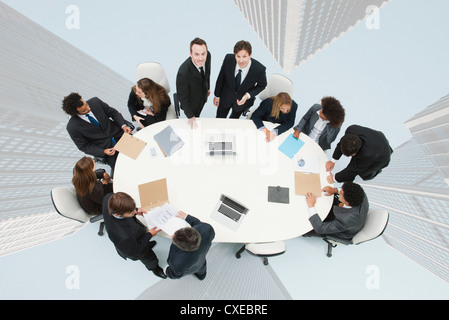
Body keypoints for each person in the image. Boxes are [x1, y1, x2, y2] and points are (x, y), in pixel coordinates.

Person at [102, 192, 167, 279]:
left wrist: (135, 210)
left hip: (137, 236)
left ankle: (147, 244)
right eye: (130, 212)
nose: (134, 211)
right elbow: (135, 251)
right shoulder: (123, 236)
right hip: (135, 249)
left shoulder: (109, 198)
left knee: (145, 244)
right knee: (150, 259)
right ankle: (154, 268)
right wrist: (149, 235)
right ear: (118, 214)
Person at [62, 93, 132, 172]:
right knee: (124, 171)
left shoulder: (95, 102)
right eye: (84, 110)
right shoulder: (72, 127)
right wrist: (103, 151)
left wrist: (123, 126)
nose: (88, 109)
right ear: (75, 113)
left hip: (121, 136)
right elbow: (83, 146)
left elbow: (114, 113)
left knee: (141, 154)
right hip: (108, 151)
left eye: (87, 105)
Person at [214, 40, 267, 119]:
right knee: (219, 119)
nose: (241, 60)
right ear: (235, 55)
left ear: (250, 55)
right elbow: (221, 77)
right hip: (225, 97)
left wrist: (248, 95)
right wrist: (217, 95)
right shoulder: (228, 59)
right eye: (238, 56)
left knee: (233, 122)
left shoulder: (259, 69)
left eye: (244, 56)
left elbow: (262, 85)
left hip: (242, 102)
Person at [326, 124, 393, 183]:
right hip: (376, 139)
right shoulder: (351, 129)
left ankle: (375, 172)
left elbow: (352, 170)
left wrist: (334, 178)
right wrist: (332, 161)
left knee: (363, 173)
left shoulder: (368, 154)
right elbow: (341, 144)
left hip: (383, 156)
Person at [304, 182, 369, 240]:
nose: (339, 192)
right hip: (348, 215)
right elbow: (340, 192)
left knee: (306, 229)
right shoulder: (359, 193)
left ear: (346, 202)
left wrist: (311, 205)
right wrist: (334, 190)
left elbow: (320, 228)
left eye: (341, 193)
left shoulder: (345, 220)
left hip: (342, 231)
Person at [165, 211, 215, 280]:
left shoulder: (177, 263)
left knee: (195, 269)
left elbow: (173, 274)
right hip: (201, 260)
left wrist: (166, 271)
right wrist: (187, 217)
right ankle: (202, 276)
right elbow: (200, 225)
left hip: (188, 268)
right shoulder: (207, 229)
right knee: (201, 269)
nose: (173, 235)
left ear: (181, 247)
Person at [176, 37, 211, 129]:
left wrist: (208, 87)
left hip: (203, 95)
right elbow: (182, 97)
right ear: (190, 54)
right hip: (192, 102)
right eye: (196, 54)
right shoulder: (183, 72)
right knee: (195, 121)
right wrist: (191, 117)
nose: (200, 58)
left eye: (203, 54)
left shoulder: (208, 56)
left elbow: (208, 73)